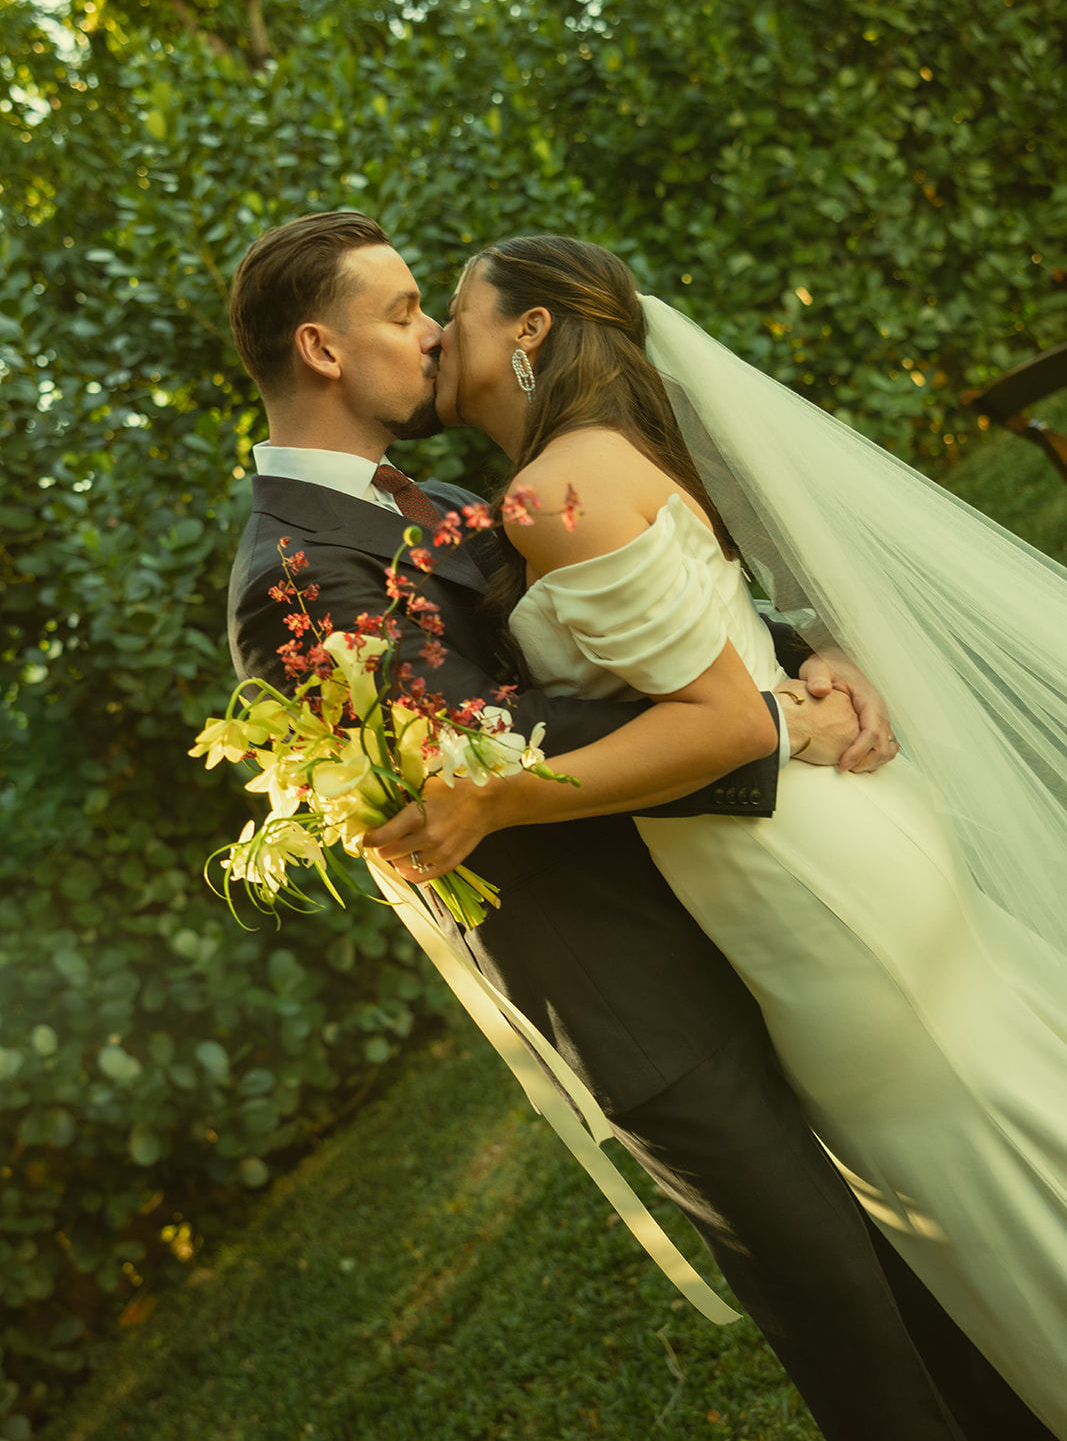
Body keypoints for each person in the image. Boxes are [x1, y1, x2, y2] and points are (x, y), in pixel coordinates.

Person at [225, 211, 1050, 1441]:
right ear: (323, 348)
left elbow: (646, 626)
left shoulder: (454, 492)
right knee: (852, 1316)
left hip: (754, 904)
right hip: (634, 988)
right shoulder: (291, 574)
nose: (434, 328)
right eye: (401, 310)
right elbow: (488, 745)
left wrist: (805, 650)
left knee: (929, 1252)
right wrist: (768, 720)